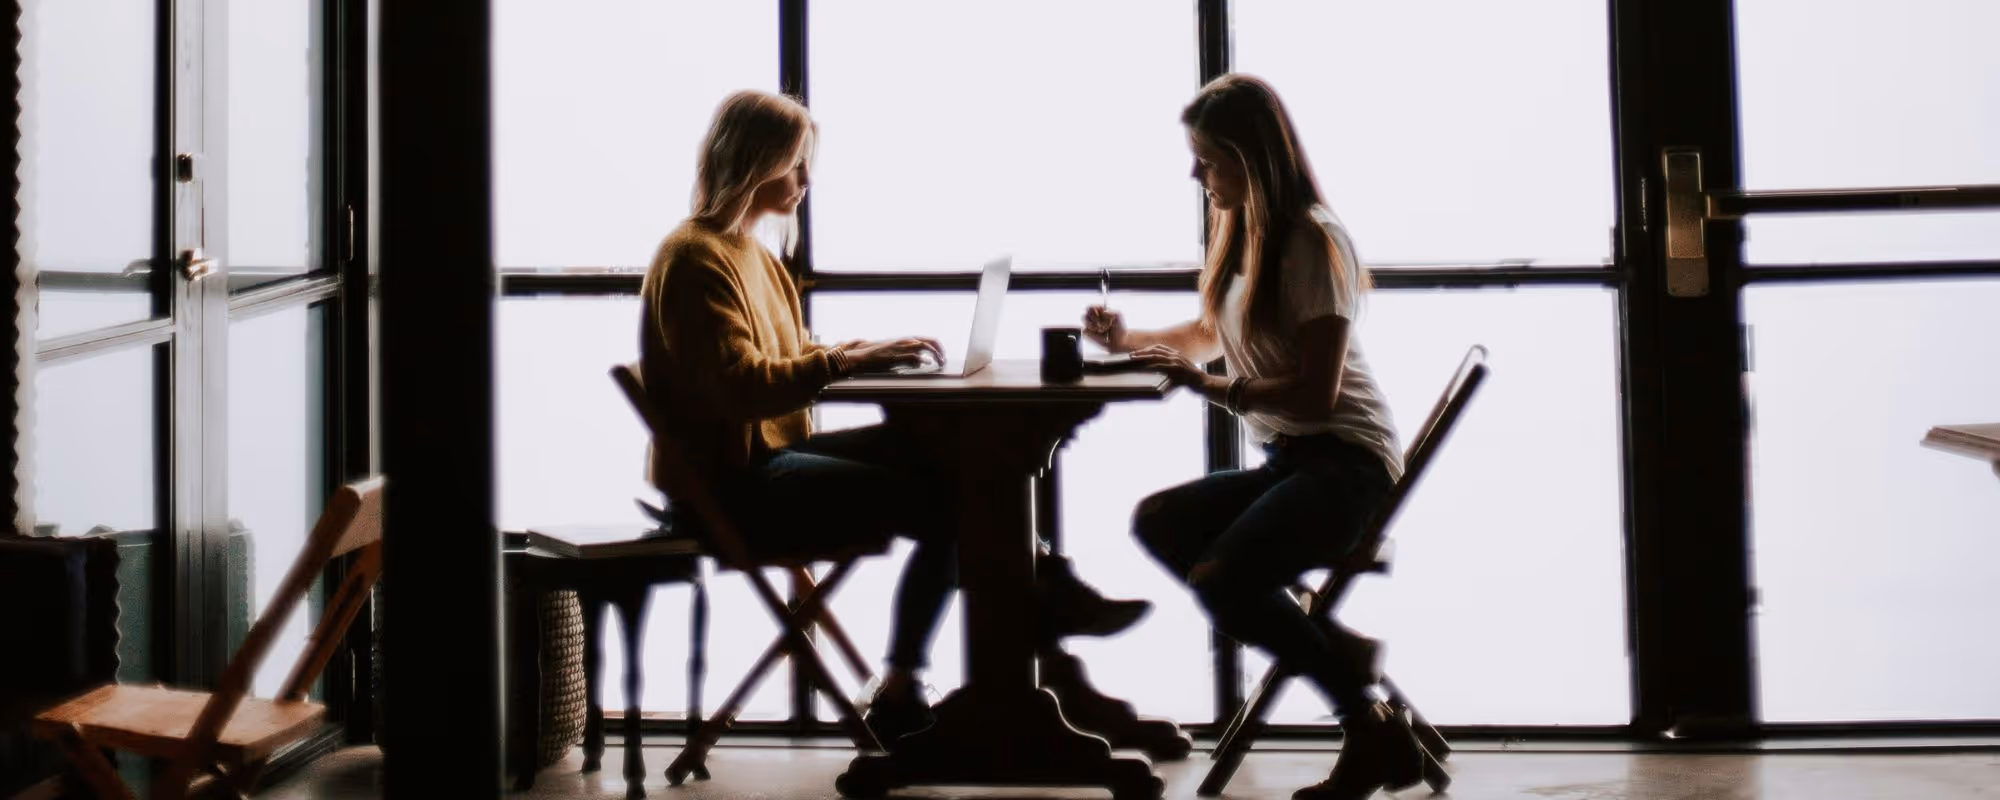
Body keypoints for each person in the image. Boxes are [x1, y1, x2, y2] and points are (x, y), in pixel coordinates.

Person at [640, 89, 1147, 747]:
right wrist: (847, 364)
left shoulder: (753, 256)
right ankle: (954, 658)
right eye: (795, 164)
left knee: (944, 454)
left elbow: (789, 361)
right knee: (950, 496)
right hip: (729, 487)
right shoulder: (694, 257)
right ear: (753, 162)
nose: (806, 181)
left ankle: (1038, 599)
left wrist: (859, 353)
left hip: (762, 462)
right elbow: (742, 390)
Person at [1084, 74, 1426, 799]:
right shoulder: (1247, 233)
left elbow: (1316, 391)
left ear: (1252, 158)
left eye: (1207, 159)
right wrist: (1129, 342)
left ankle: (1365, 724)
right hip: (1293, 461)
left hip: (1349, 469)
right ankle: (1345, 660)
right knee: (1160, 521)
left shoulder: (1312, 240)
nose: (1194, 173)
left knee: (1223, 578)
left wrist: (1205, 386)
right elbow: (1212, 335)